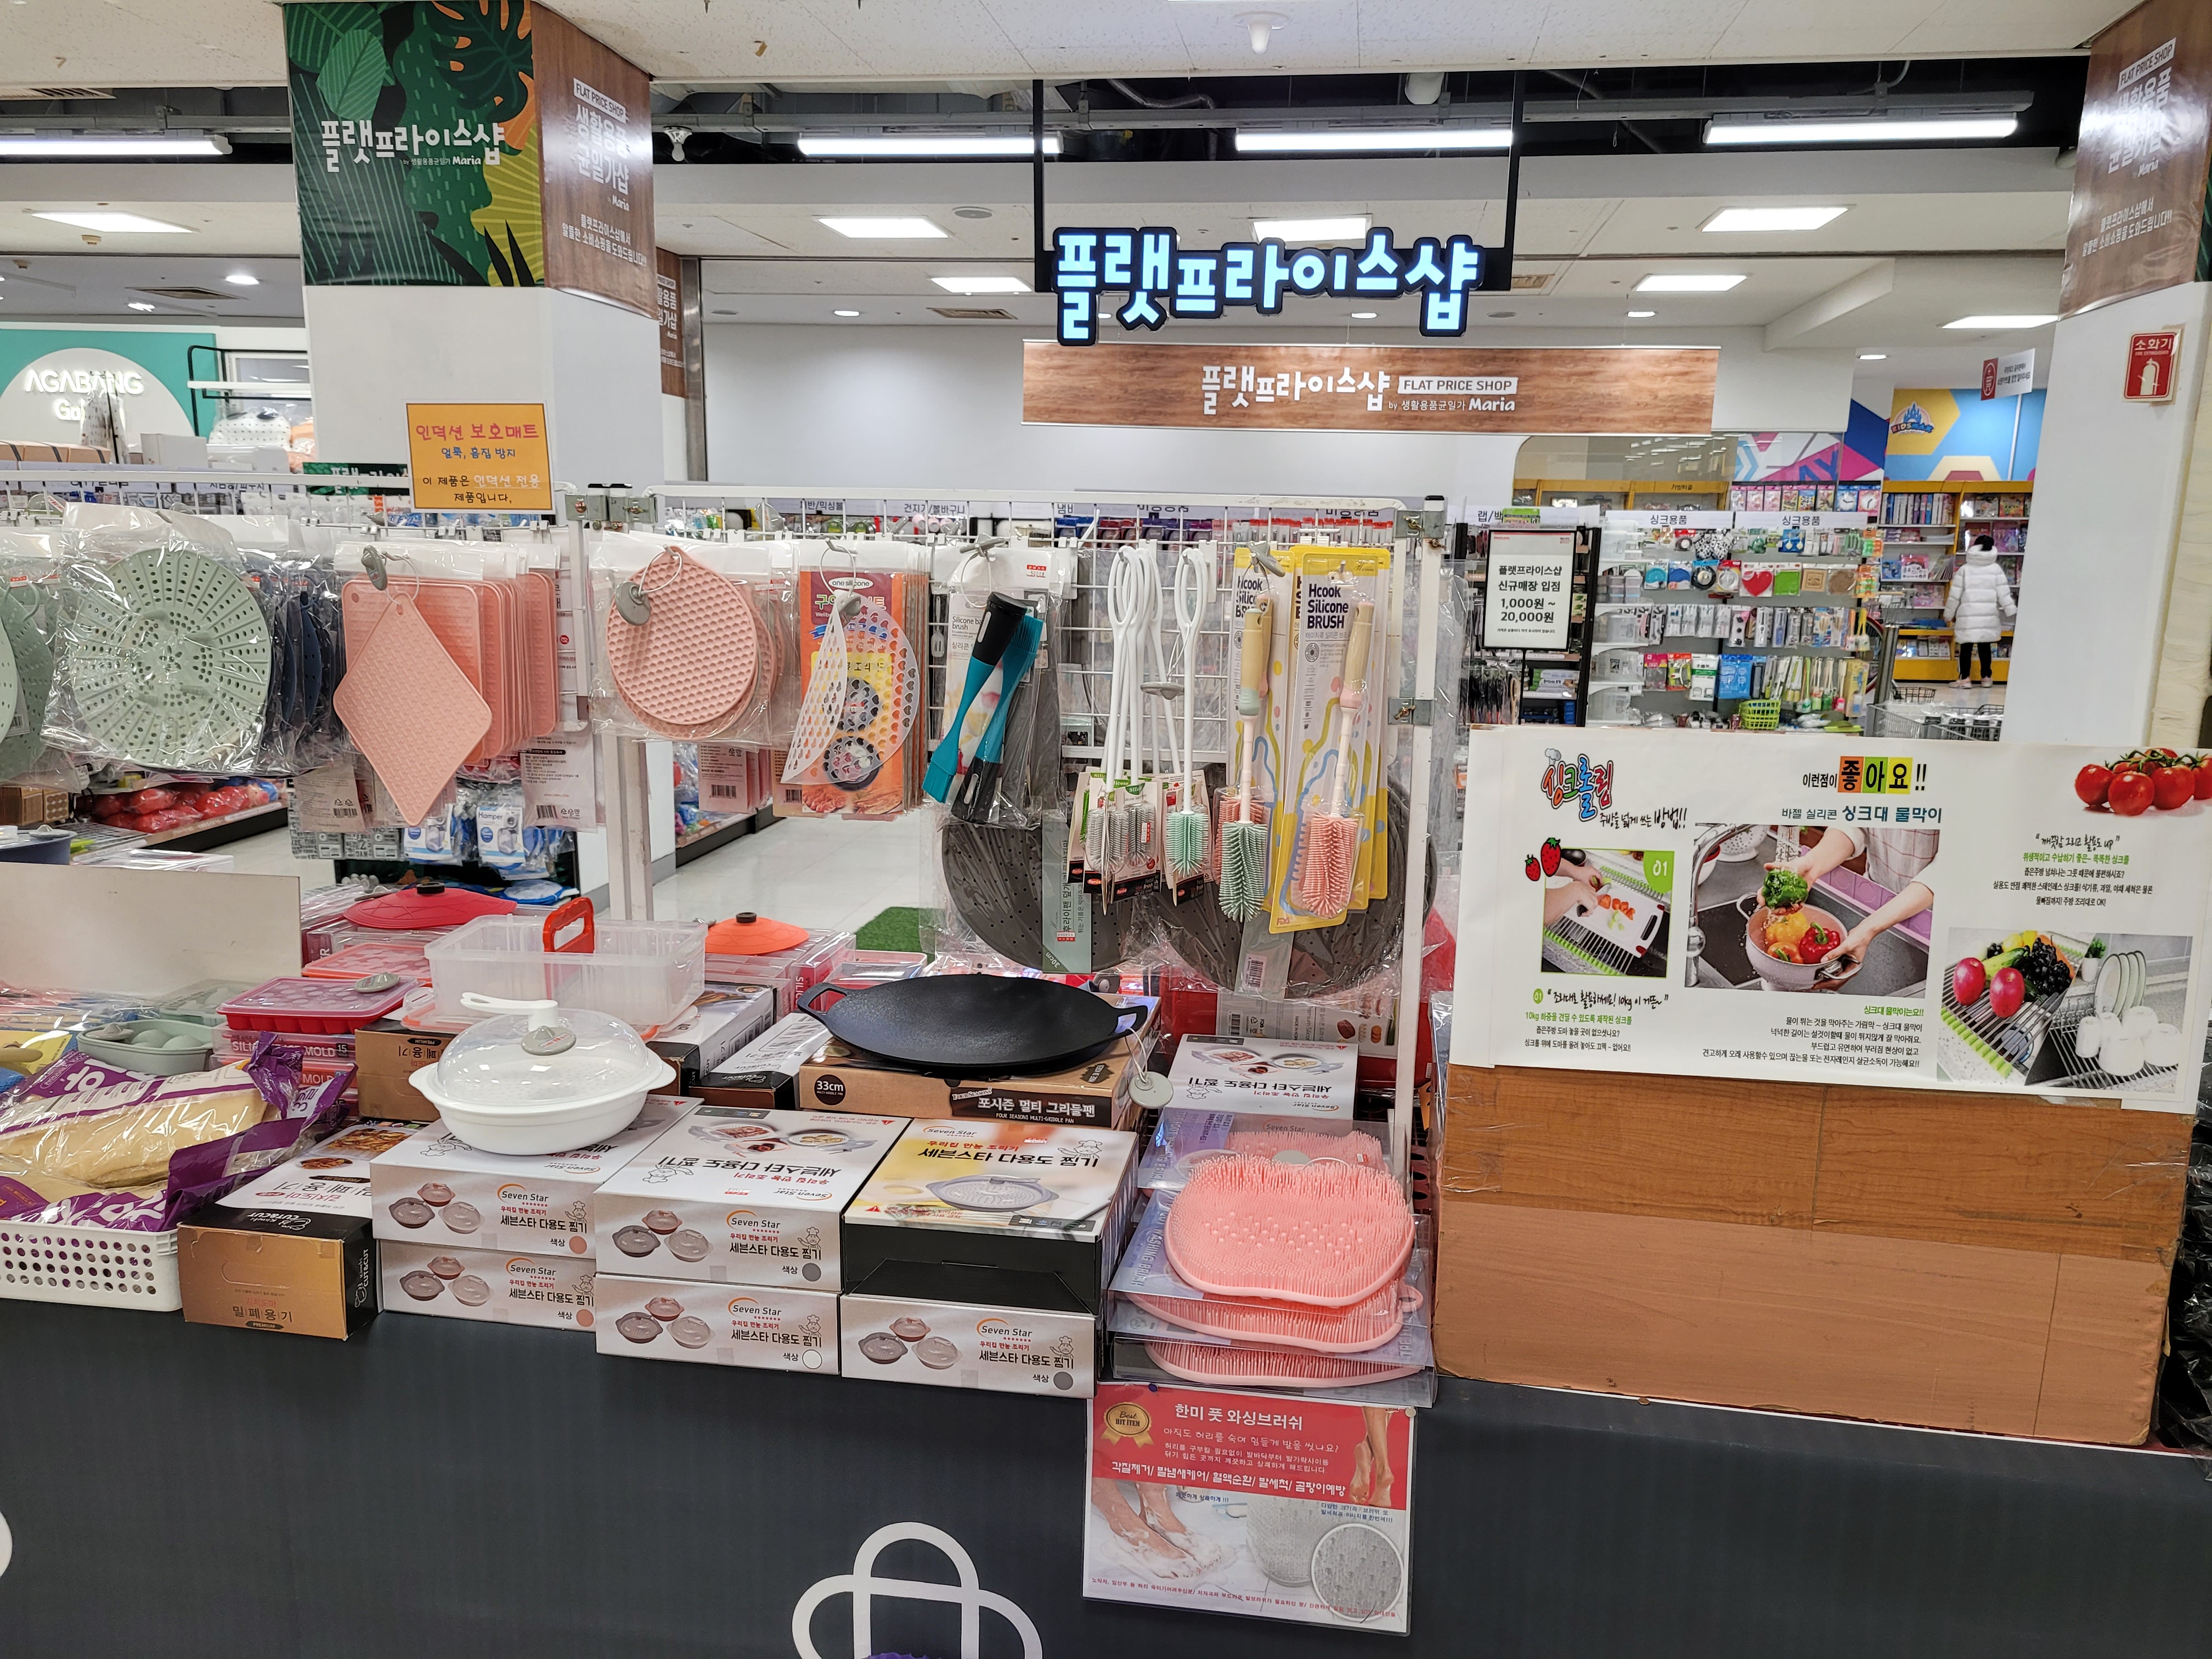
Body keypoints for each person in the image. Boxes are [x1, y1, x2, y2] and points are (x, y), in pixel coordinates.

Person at [1769, 823, 1940, 968]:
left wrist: (1869, 928)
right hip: (1874, 900)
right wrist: (1813, 864)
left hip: (1936, 922)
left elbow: (1946, 871)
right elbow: (1855, 822)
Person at [1945, 533, 2016, 689]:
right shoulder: (1996, 569)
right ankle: (1986, 678)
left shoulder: (1965, 570)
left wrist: (1949, 614)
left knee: (1966, 648)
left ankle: (1965, 679)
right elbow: (2004, 593)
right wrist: (2011, 611)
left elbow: (1955, 595)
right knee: (1985, 648)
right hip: (1988, 615)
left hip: (1968, 616)